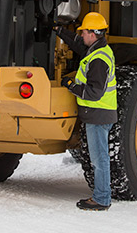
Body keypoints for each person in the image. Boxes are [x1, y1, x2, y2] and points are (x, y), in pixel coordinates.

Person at [55, 12, 117, 211]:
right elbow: (78, 44)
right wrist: (60, 32)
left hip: (98, 114)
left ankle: (101, 199)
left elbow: (94, 92)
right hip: (98, 114)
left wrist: (72, 85)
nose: (81, 35)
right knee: (99, 158)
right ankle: (101, 196)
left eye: (84, 32)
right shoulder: (97, 50)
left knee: (99, 159)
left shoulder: (99, 60)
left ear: (93, 33)